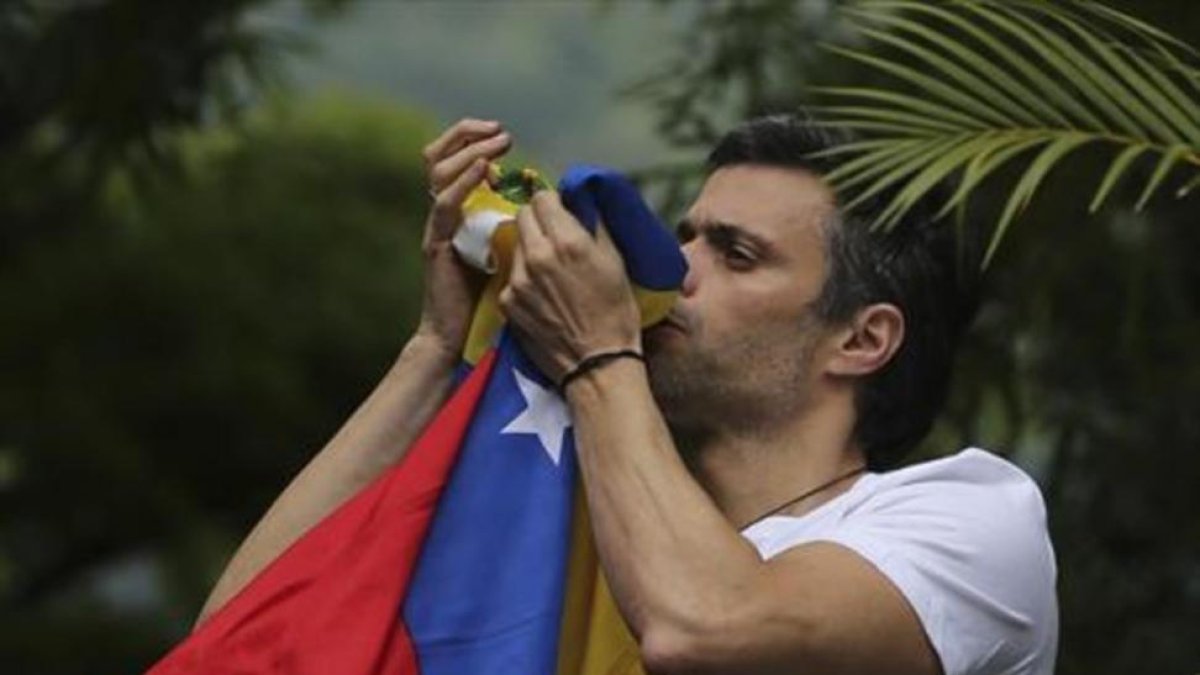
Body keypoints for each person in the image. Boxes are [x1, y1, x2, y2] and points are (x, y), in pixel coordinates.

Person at [198, 116, 1058, 674]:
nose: (672, 270)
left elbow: (706, 627)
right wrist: (433, 350)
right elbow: (244, 632)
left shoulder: (967, 519)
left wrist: (601, 355)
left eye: (737, 254)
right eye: (683, 235)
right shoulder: (590, 515)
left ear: (862, 339)